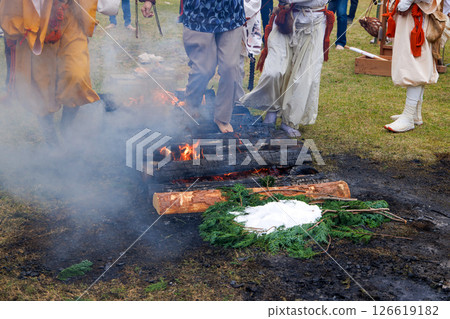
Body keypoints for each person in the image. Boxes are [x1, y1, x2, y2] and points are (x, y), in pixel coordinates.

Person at [0, 0, 100, 145]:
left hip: (70, 17)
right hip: (37, 22)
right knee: (41, 85)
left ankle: (67, 128)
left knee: (76, 75)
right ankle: (50, 137)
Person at [240, 0, 334, 137]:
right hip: (284, 19)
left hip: (313, 22)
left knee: (302, 78)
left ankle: (289, 121)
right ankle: (271, 110)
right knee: (274, 71)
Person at [176, 0, 246, 133]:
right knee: (204, 69)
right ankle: (190, 107)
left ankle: (223, 117)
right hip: (199, 13)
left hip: (231, 13)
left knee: (230, 68)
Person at [384, 0, 441, 132]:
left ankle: (408, 117)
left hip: (416, 19)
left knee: (414, 65)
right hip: (409, 17)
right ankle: (415, 114)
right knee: (413, 62)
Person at [235, 0, 263, 104]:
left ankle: (236, 100)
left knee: (237, 65)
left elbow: (254, 4)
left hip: (242, 20)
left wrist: (238, 10)